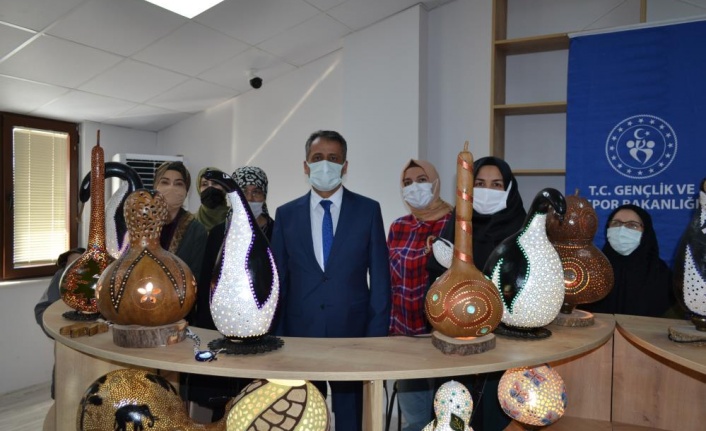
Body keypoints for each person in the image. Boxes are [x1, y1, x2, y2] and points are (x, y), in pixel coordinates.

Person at [270, 130, 391, 431]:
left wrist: (376, 338)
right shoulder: (286, 215)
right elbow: (278, 282)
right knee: (302, 417)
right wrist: (277, 338)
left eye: (333, 158)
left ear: (345, 166)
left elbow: (380, 278)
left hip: (353, 335)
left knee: (351, 419)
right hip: (299, 336)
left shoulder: (368, 210)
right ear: (305, 165)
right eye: (317, 157)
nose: (325, 164)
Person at [426, 156, 526, 431]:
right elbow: (435, 283)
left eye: (496, 185)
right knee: (454, 416)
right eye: (479, 183)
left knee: (497, 417)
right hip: (456, 345)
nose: (486, 190)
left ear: (509, 189)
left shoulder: (522, 232)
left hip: (506, 347)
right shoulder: (456, 226)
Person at [184, 165, 276, 421]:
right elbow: (206, 287)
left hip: (263, 334)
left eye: (257, 191)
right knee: (223, 406)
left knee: (259, 405)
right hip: (223, 332)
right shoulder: (218, 234)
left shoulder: (277, 232)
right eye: (243, 191)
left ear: (265, 196)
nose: (250, 197)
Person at [388, 159, 452, 430]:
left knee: (448, 418)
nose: (414, 187)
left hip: (444, 336)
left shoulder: (456, 222)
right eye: (407, 182)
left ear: (435, 183)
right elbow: (389, 279)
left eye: (421, 180)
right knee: (415, 420)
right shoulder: (398, 227)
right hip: (406, 336)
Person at [583, 204, 674, 317]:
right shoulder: (592, 270)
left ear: (645, 232)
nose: (622, 230)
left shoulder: (661, 274)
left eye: (632, 225)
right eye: (616, 223)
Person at [34, 247, 86, 398]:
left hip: (96, 343)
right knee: (64, 391)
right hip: (68, 343)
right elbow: (42, 309)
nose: (74, 268)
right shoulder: (60, 277)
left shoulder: (101, 277)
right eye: (70, 264)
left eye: (80, 263)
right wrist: (58, 330)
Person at [154, 161, 207, 282]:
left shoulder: (196, 231)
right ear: (155, 186)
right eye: (165, 182)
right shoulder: (142, 224)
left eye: (178, 184)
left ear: (186, 191)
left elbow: (195, 276)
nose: (171, 188)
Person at [194, 167, 229, 233]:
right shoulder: (190, 223)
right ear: (199, 189)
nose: (210, 188)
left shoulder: (235, 218)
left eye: (215, 183)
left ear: (223, 186)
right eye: (204, 184)